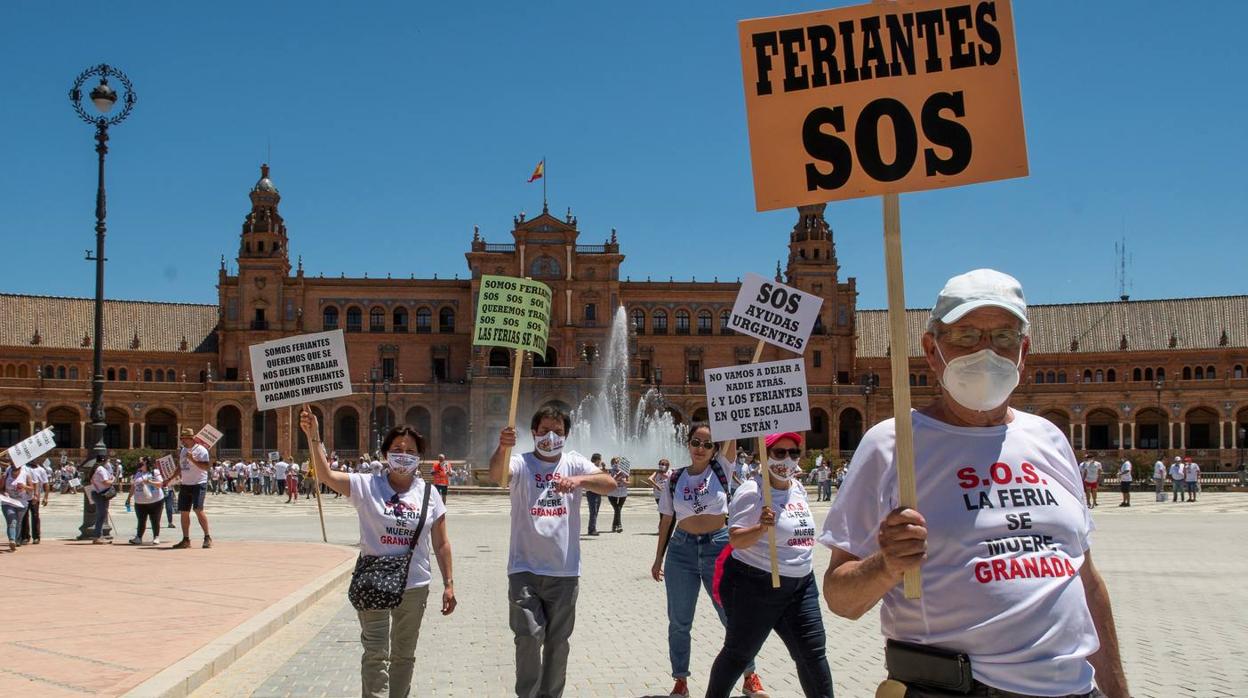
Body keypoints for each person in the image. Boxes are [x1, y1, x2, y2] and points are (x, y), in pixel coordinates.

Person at [821, 268, 1127, 697]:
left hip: (1076, 689)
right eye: (966, 335)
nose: (987, 351)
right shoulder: (892, 444)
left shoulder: (1050, 439)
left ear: (1024, 351)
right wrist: (886, 564)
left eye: (1003, 336)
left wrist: (1118, 691)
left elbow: (1087, 581)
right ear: (931, 349)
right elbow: (840, 598)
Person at [300, 406, 456, 698]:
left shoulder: (429, 493)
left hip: (414, 584)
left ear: (419, 457)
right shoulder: (366, 485)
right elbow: (324, 474)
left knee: (403, 655)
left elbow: (442, 543)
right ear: (385, 454)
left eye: (410, 450)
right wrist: (315, 436)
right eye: (397, 449)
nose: (403, 454)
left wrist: (449, 584)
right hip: (373, 582)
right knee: (375, 654)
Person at [488, 405, 617, 698]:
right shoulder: (521, 462)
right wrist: (502, 447)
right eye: (544, 430)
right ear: (533, 433)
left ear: (567, 435)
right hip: (524, 570)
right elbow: (497, 475)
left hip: (564, 571)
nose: (550, 436)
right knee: (529, 638)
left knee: (558, 644)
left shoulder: (573, 463)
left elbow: (608, 484)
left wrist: (579, 481)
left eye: (557, 432)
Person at [707, 432, 832, 698]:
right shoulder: (752, 491)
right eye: (779, 452)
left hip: (801, 585)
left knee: (812, 653)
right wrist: (761, 527)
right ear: (766, 454)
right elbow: (735, 539)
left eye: (793, 453)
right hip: (756, 584)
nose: (787, 459)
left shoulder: (797, 489)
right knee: (738, 654)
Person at [651, 423, 767, 698]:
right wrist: (658, 558)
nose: (701, 448)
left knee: (731, 616)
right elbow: (667, 520)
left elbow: (733, 427)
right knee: (679, 621)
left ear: (715, 449)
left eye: (707, 444)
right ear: (688, 444)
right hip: (681, 551)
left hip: (718, 547)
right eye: (696, 442)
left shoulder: (721, 468)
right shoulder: (674, 478)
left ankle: (750, 675)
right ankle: (680, 681)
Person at [165, 427, 213, 549]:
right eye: (181, 439)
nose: (182, 441)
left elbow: (206, 466)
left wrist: (192, 459)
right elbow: (180, 467)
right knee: (184, 512)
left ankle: (207, 537)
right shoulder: (183, 451)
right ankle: (186, 539)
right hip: (186, 484)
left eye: (184, 439)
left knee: (198, 509)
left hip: (199, 483)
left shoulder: (201, 450)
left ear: (191, 439)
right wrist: (170, 479)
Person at [129, 458, 165, 545]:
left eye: (141, 461)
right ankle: (139, 537)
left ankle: (156, 537)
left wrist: (149, 482)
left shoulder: (155, 472)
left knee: (155, 520)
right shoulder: (138, 473)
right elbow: (133, 486)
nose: (139, 463)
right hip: (140, 502)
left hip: (155, 501)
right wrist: (129, 497)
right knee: (141, 520)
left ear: (146, 463)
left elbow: (160, 484)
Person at [2, 455, 31, 551]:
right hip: (8, 502)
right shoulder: (6, 475)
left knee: (18, 523)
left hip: (21, 503)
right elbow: (0, 489)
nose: (15, 466)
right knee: (12, 521)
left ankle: (16, 539)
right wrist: (4, 492)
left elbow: (32, 488)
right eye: (13, 464)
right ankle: (12, 540)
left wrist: (24, 487)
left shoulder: (26, 474)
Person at [20, 456, 49, 544]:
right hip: (24, 495)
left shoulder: (41, 470)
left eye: (36, 459)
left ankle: (36, 537)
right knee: (24, 516)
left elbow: (46, 484)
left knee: (35, 516)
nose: (34, 460)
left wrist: (46, 497)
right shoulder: (24, 467)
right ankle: (25, 537)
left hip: (35, 496)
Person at [89, 456, 115, 543]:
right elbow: (105, 482)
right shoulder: (101, 469)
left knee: (101, 515)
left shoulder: (96, 468)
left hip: (97, 493)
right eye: (108, 461)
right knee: (101, 515)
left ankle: (99, 535)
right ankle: (97, 536)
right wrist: (113, 481)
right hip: (101, 494)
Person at [606, 457, 629, 533]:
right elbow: (610, 481)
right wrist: (617, 476)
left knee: (618, 509)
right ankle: (619, 525)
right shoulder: (609, 471)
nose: (616, 464)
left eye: (618, 463)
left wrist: (623, 480)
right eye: (614, 463)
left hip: (622, 493)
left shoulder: (625, 472)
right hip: (612, 493)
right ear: (612, 464)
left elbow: (628, 483)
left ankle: (614, 526)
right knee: (617, 508)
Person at [585, 453, 605, 536]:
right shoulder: (591, 467)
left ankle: (592, 528)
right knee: (593, 511)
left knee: (595, 511)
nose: (601, 461)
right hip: (592, 492)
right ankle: (591, 529)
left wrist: (603, 468)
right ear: (597, 460)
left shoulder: (596, 468)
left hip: (597, 492)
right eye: (600, 459)